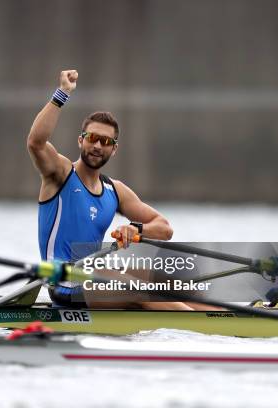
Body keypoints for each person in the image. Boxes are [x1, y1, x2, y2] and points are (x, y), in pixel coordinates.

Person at [27, 70, 210, 311]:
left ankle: (238, 319)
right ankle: (204, 332)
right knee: (142, 290)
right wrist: (62, 94)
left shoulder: (115, 191)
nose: (97, 146)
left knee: (176, 283)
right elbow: (36, 142)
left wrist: (135, 229)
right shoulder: (60, 174)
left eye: (106, 142)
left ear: (114, 150)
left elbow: (164, 229)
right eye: (92, 138)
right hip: (64, 283)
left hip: (95, 277)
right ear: (81, 140)